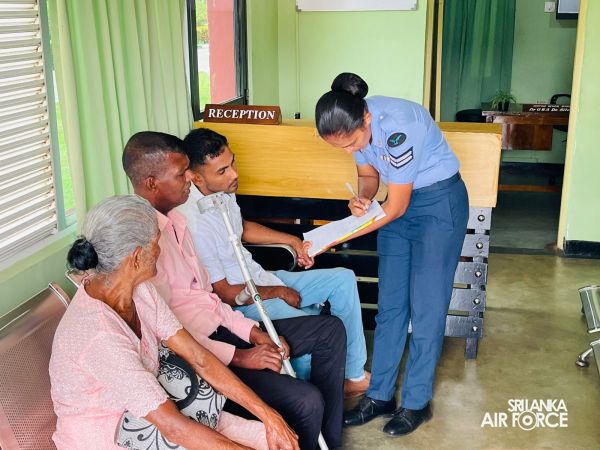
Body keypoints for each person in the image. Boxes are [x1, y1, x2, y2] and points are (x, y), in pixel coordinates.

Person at [122, 131, 346, 450]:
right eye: (181, 174)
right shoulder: (143, 247)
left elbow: (210, 300)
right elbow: (173, 338)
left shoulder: (178, 224)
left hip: (224, 331)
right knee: (306, 400)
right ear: (151, 183)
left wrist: (254, 334)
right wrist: (241, 356)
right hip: (199, 354)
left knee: (330, 331)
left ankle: (329, 443)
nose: (189, 180)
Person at [49, 195, 298, 450]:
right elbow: (174, 428)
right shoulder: (99, 335)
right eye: (156, 243)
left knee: (274, 440)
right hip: (111, 438)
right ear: (136, 257)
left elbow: (198, 357)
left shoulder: (141, 291)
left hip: (155, 416)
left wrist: (270, 417)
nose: (160, 250)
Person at [314, 73, 469, 437]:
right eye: (340, 147)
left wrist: (333, 237)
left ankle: (416, 402)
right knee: (391, 306)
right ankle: (379, 396)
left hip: (437, 205)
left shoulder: (400, 125)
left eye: (351, 143)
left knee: (426, 308)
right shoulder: (352, 126)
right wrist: (363, 198)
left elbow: (397, 206)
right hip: (396, 206)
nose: (349, 150)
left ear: (366, 118)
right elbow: (370, 177)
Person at [177, 127, 369, 396]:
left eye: (232, 163)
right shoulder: (195, 223)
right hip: (245, 302)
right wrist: (278, 292)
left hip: (261, 277)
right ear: (195, 177)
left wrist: (292, 240)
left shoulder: (222, 190)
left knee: (343, 279)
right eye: (222, 171)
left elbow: (240, 227)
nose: (234, 174)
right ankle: (315, 395)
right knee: (315, 328)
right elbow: (225, 294)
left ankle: (352, 375)